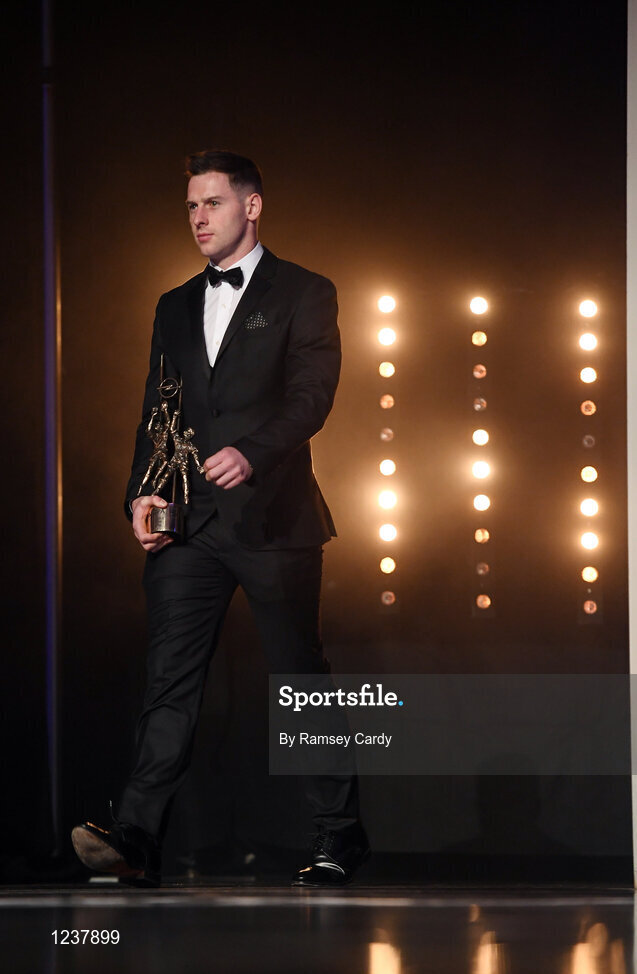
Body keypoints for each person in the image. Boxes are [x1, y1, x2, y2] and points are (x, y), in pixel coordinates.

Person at [71, 149, 370, 887]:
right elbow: (157, 411)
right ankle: (138, 837)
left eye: (212, 203)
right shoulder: (173, 304)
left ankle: (338, 835)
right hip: (189, 524)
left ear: (251, 206)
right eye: (191, 206)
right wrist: (140, 494)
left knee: (301, 680)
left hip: (273, 520)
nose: (199, 218)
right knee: (168, 682)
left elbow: (313, 395)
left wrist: (252, 452)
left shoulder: (305, 291)